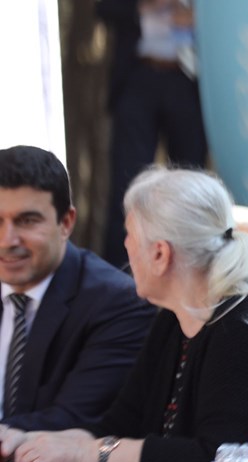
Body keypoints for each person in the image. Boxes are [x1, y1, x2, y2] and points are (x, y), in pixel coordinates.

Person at [1, 168, 248, 462]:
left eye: (129, 235)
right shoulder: (176, 316)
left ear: (160, 254)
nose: (126, 247)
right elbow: (122, 423)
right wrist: (28, 439)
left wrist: (89, 454)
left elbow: (220, 459)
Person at [0, 145, 153, 432]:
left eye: (27, 221)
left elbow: (71, 420)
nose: (7, 240)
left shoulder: (118, 302)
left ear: (66, 222)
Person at [96, 0, 207, 268]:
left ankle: (188, 268)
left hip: (190, 81)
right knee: (127, 180)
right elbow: (104, 8)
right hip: (139, 75)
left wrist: (199, 17)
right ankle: (118, 276)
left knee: (190, 181)